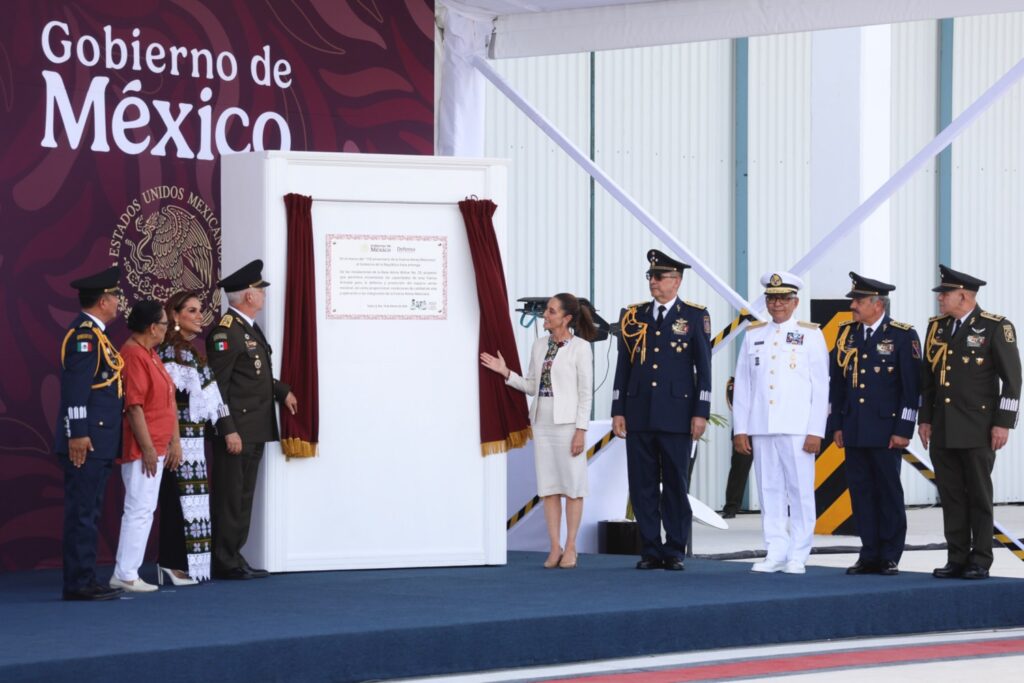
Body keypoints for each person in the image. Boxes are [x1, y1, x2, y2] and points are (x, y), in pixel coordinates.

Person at [611, 249, 712, 571]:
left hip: (677, 414)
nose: (653, 282)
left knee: (674, 485)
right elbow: (623, 366)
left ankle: (675, 549)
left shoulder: (695, 316)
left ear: (677, 280)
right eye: (650, 277)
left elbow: (704, 368)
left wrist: (701, 411)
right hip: (639, 411)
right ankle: (650, 548)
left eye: (659, 277)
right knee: (641, 484)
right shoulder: (633, 315)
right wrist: (618, 408)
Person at [919, 264, 1021, 580]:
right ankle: (957, 557)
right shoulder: (937, 328)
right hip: (943, 426)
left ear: (963, 296)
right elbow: (928, 379)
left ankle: (980, 559)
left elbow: (1013, 381)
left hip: (978, 427)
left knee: (978, 495)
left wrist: (1003, 423)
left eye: (944, 294)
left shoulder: (994, 327)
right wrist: (925, 419)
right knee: (950, 495)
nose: (939, 299)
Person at [481, 294, 596, 569]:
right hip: (542, 422)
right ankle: (554, 546)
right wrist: (505, 372)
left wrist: (581, 430)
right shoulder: (539, 345)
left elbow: (585, 394)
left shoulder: (581, 348)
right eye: (547, 310)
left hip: (568, 424)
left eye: (551, 311)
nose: (545, 315)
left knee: (573, 487)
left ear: (566, 318)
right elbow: (532, 386)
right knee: (549, 488)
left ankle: (571, 546)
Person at [207, 260, 297, 580]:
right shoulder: (227, 332)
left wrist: (281, 390)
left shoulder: (247, 328)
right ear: (247, 296)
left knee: (243, 494)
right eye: (259, 291)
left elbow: (253, 376)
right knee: (231, 495)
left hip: (254, 427)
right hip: (238, 429)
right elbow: (217, 386)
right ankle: (223, 558)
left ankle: (234, 554)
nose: (263, 295)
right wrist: (227, 428)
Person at [733, 272, 828, 575]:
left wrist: (816, 429)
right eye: (772, 298)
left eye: (783, 299)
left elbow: (821, 385)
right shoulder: (753, 334)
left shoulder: (810, 334)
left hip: (798, 426)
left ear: (795, 302)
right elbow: (744, 386)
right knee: (769, 490)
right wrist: (741, 428)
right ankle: (775, 550)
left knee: (800, 492)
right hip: (762, 424)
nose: (777, 304)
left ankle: (799, 553)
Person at [829, 272, 921, 576]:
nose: (853, 305)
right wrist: (837, 425)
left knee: (888, 493)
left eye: (858, 300)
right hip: (854, 429)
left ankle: (890, 555)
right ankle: (868, 553)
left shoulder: (902, 335)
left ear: (877, 304)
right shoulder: (846, 334)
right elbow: (838, 386)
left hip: (886, 431)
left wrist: (904, 430)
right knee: (861, 493)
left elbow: (911, 389)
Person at [55, 267, 126, 601]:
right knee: (82, 512)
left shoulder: (96, 335)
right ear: (103, 300)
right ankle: (79, 582)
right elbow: (75, 389)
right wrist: (78, 433)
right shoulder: (84, 335)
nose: (118, 302)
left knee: (90, 511)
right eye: (115, 297)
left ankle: (86, 576)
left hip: (100, 438)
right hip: (88, 439)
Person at [156, 291, 233, 585]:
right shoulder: (170, 353)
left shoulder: (190, 351)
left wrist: (226, 428)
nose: (199, 315)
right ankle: (171, 563)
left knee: (188, 502)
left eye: (200, 310)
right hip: (177, 440)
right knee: (177, 501)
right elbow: (168, 402)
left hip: (194, 441)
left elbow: (212, 398)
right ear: (174, 316)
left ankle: (180, 565)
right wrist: (174, 441)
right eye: (191, 310)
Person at [111, 299, 181, 593]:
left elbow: (168, 399)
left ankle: (129, 571)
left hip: (157, 444)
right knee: (139, 508)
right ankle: (125, 574)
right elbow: (134, 407)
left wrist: (173, 440)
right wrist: (149, 447)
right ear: (153, 327)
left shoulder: (149, 353)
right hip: (143, 447)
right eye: (165, 324)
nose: (169, 328)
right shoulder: (134, 355)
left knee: (144, 508)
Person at [721, 376, 752, 519]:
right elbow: (736, 402)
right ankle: (731, 506)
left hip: (768, 429)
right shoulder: (738, 380)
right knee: (739, 469)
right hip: (746, 429)